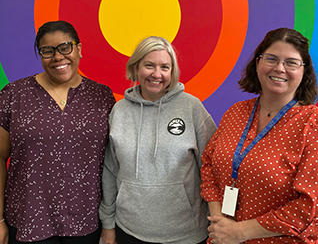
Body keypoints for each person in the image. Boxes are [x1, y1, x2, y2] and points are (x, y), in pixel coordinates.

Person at [0, 20, 115, 244]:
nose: (58, 57)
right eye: (47, 51)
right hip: (27, 220)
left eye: (65, 47)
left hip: (85, 222)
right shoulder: (14, 95)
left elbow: (114, 163)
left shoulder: (102, 97)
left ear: (79, 49)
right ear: (40, 55)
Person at [201, 27, 318, 244]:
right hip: (222, 238)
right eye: (271, 59)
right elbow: (208, 164)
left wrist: (239, 232)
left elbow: (310, 206)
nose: (279, 68)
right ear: (257, 64)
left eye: (291, 62)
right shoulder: (236, 112)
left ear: (304, 71)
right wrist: (219, 221)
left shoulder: (311, 123)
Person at [99, 36, 217, 244]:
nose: (157, 74)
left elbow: (212, 169)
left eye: (165, 67)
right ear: (136, 68)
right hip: (129, 229)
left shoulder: (192, 108)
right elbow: (110, 170)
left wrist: (217, 220)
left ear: (172, 72)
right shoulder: (119, 111)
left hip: (186, 234)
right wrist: (108, 223)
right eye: (149, 65)